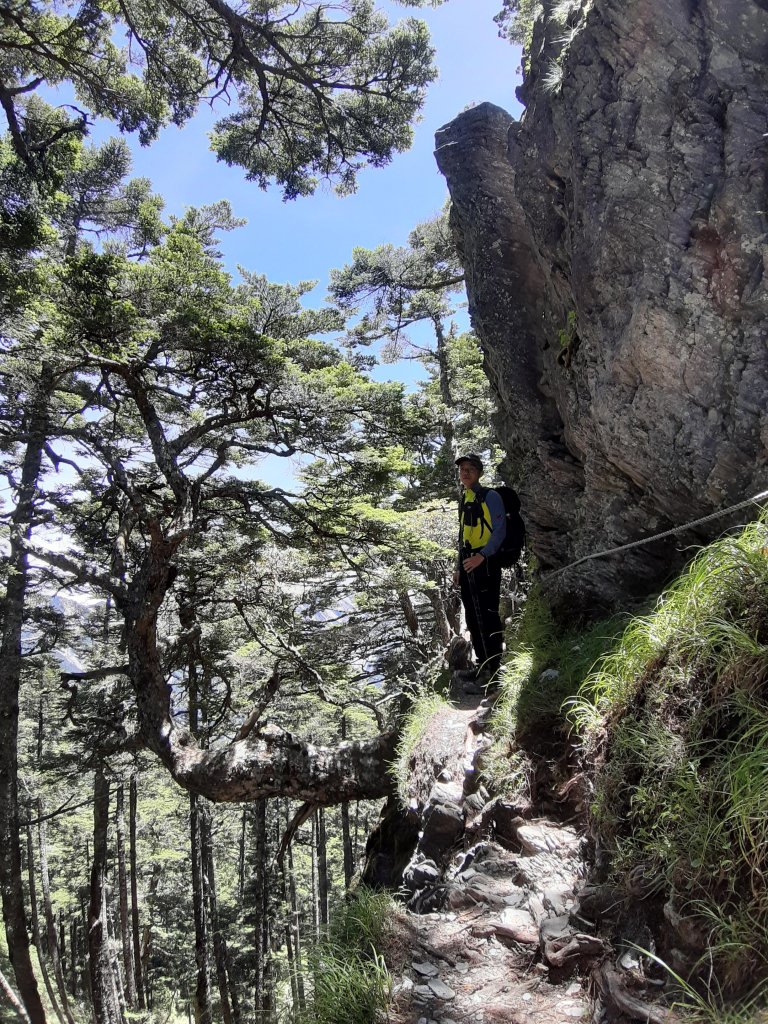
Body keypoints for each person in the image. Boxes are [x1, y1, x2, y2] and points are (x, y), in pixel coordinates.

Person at [453, 454, 506, 693]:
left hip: (485, 563)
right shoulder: (465, 497)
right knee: (473, 617)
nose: (465, 472)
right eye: (462, 469)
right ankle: (482, 665)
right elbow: (462, 535)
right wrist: (458, 567)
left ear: (479, 472)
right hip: (468, 563)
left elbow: (499, 532)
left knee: (488, 615)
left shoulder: (490, 496)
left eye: (470, 469)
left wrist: (482, 556)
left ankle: (495, 672)